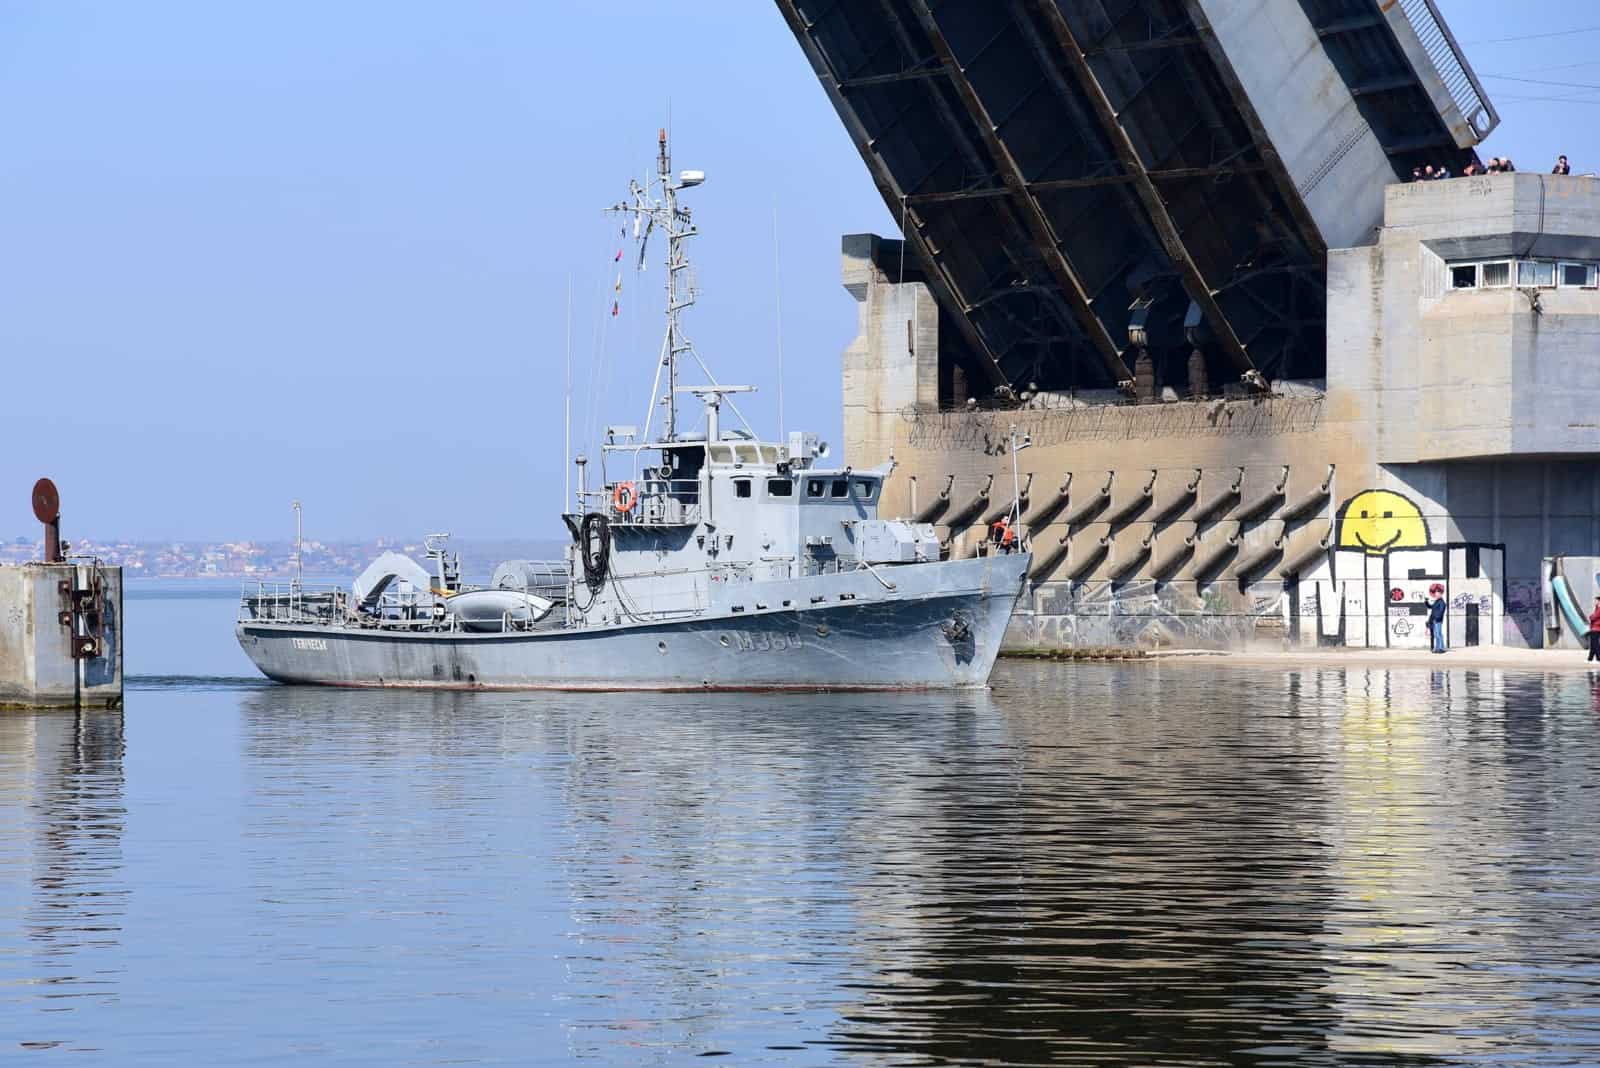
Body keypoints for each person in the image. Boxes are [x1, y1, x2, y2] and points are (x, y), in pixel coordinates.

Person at [1427, 583, 1447, 654]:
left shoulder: (1441, 602)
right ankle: (1437, 648)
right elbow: (1430, 607)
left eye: (1438, 593)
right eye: (1435, 593)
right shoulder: (1437, 601)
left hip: (1438, 620)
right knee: (1436, 635)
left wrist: (1436, 617)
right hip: (1435, 620)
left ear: (1441, 593)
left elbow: (1441, 611)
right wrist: (1426, 602)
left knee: (1438, 634)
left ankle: (1441, 648)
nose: (1436, 594)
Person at [1588, 596, 1600, 663]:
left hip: (1596, 628)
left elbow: (1593, 617)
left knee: (1595, 644)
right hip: (1594, 628)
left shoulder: (1599, 609)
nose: (1594, 602)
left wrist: (1591, 616)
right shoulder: (1597, 608)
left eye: (1596, 601)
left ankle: (1599, 658)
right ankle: (1590, 659)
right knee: (1593, 644)